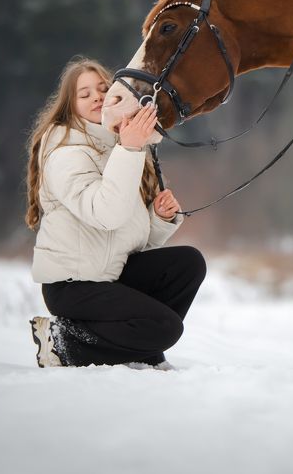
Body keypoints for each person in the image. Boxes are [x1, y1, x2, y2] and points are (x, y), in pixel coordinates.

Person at [25, 57, 206, 369]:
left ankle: (138, 349)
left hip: (110, 275)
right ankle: (62, 342)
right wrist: (130, 149)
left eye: (103, 89)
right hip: (74, 286)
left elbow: (126, 241)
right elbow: (105, 214)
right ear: (70, 107)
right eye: (85, 94)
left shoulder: (117, 149)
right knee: (167, 328)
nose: (97, 96)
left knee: (187, 263)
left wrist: (159, 220)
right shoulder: (65, 153)